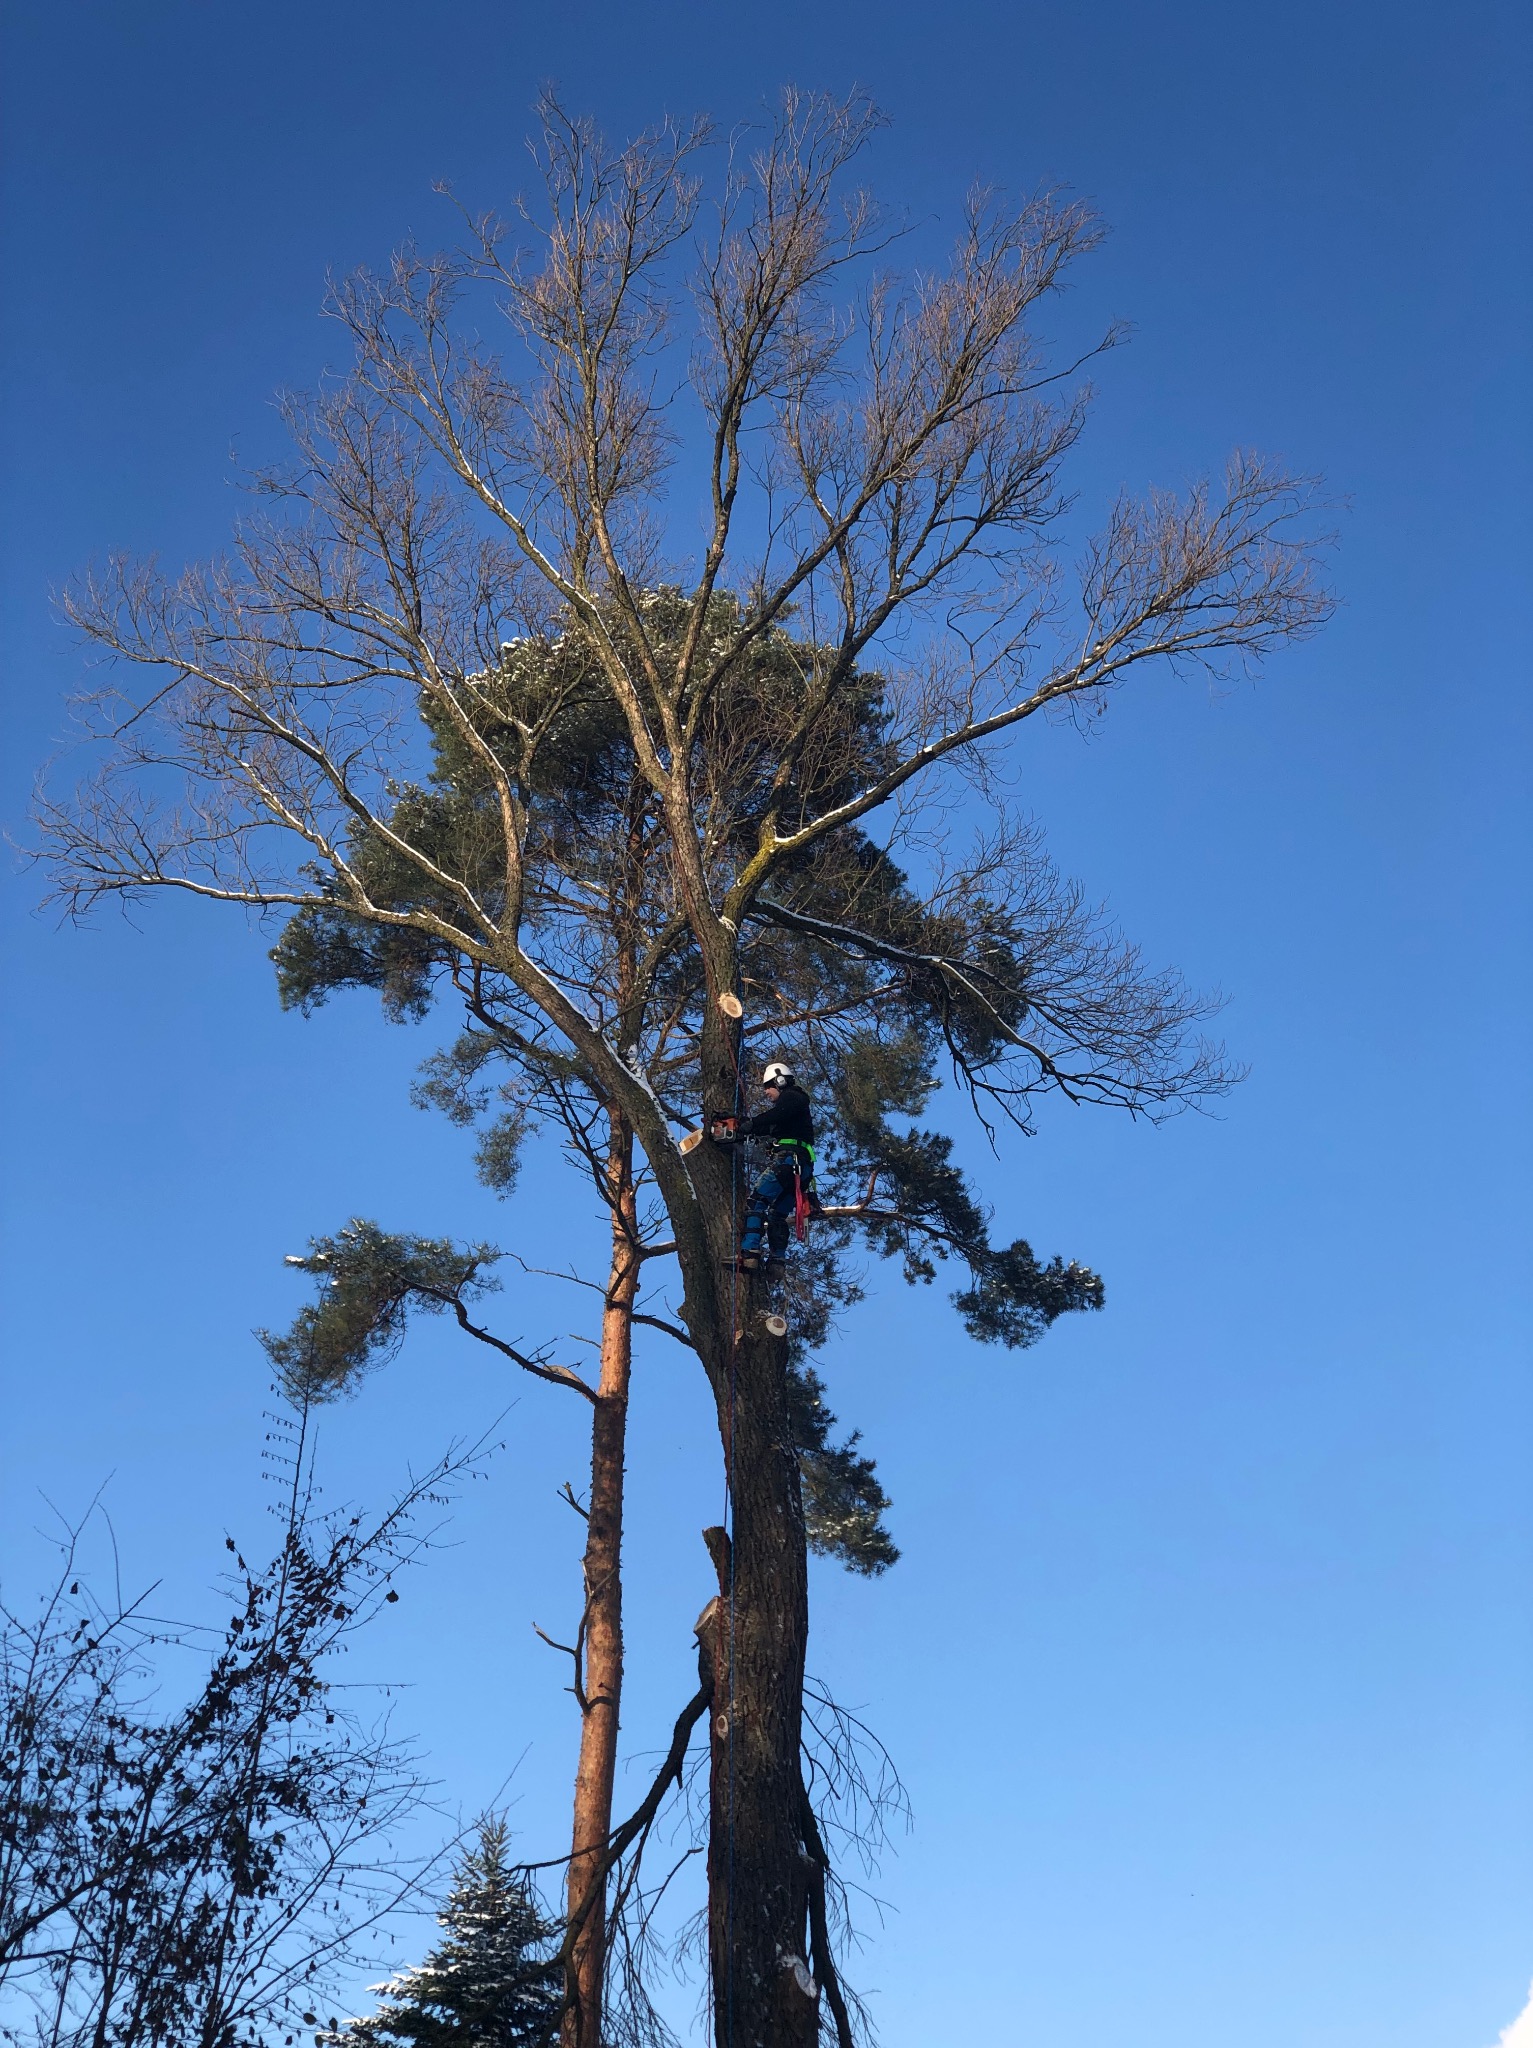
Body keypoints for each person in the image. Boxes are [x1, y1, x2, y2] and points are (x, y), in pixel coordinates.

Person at [732, 1060, 816, 1269]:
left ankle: (750, 1251)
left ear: (779, 1081)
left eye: (768, 1088)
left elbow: (774, 1116)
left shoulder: (793, 1098)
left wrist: (752, 1122)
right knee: (777, 1213)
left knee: (756, 1201)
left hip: (788, 1162)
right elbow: (771, 1125)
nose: (767, 1094)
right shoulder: (792, 1113)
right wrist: (747, 1129)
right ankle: (777, 1261)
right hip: (801, 1169)